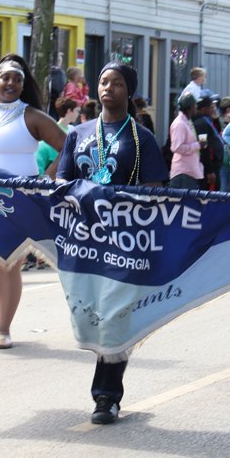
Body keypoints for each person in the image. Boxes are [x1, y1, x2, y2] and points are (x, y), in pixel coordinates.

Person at [56, 62, 169, 424]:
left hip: (124, 243)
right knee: (91, 317)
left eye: (117, 83)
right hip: (85, 243)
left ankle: (106, 396)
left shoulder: (142, 139)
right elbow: (63, 184)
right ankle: (105, 385)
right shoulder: (78, 133)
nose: (108, 88)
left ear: (128, 92)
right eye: (103, 82)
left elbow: (154, 193)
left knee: (115, 319)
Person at [0, 54, 66, 349]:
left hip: (19, 200)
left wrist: (46, 178)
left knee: (8, 263)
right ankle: (2, 309)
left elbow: (67, 146)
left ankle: (2, 329)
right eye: (5, 78)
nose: (11, 83)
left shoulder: (31, 115)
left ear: (22, 85)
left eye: (17, 80)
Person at [168, 93, 205, 189]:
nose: (197, 107)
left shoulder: (186, 122)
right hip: (183, 175)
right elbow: (177, 147)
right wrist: (198, 145)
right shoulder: (179, 124)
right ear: (190, 107)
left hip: (189, 174)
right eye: (195, 105)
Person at [36, 96, 79, 176]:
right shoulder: (52, 130)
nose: (77, 114)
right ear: (69, 111)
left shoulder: (74, 129)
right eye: (76, 111)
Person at [192, 94, 224, 191]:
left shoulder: (206, 120)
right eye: (210, 107)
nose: (213, 109)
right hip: (210, 169)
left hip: (215, 167)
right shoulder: (201, 124)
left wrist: (216, 119)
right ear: (202, 109)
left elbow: (216, 134)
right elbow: (204, 147)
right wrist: (209, 171)